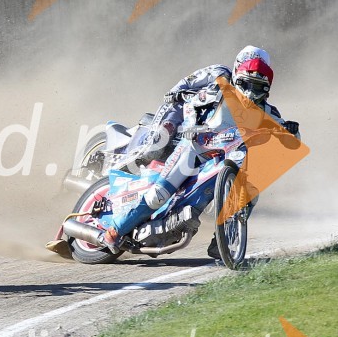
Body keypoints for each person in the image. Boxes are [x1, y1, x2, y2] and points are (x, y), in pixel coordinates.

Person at [99, 45, 300, 258]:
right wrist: (185, 113)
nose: (251, 91)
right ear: (238, 73)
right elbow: (190, 96)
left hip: (225, 155)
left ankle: (223, 240)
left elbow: (291, 142)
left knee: (251, 191)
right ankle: (114, 231)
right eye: (247, 84)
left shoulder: (268, 111)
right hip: (194, 145)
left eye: (258, 86)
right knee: (158, 192)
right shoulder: (218, 83)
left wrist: (292, 132)